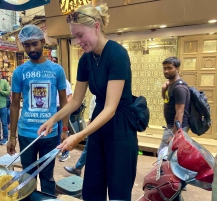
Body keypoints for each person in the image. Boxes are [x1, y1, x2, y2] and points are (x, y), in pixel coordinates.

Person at [38, 4, 138, 200]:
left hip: (120, 125)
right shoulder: (86, 60)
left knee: (119, 189)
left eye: (81, 35)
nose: (78, 41)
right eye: (75, 36)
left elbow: (111, 108)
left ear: (97, 26)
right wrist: (54, 119)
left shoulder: (117, 54)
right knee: (92, 185)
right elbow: (75, 100)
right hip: (99, 123)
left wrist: (78, 136)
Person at [7, 24, 69, 195]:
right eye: (27, 45)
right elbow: (14, 105)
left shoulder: (57, 70)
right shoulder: (19, 72)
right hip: (26, 133)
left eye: (34, 44)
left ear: (43, 42)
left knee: (47, 177)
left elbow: (64, 103)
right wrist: (12, 136)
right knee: (27, 178)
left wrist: (64, 129)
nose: (31, 49)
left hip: (49, 134)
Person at [159, 57, 190, 154]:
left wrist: (174, 134)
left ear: (177, 68)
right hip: (171, 125)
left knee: (163, 154)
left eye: (169, 68)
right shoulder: (170, 85)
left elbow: (179, 113)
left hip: (176, 127)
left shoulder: (179, 88)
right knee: (170, 156)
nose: (166, 71)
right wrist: (164, 89)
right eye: (164, 68)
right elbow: (167, 101)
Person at [64, 95, 96, 176]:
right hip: (94, 121)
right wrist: (90, 118)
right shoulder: (95, 94)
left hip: (99, 124)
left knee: (89, 148)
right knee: (88, 147)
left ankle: (78, 168)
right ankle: (78, 168)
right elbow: (92, 107)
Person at [57, 79, 73, 162]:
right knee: (55, 132)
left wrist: (66, 108)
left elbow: (70, 96)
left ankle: (65, 153)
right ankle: (58, 149)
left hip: (62, 108)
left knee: (63, 131)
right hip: (54, 109)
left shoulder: (65, 81)